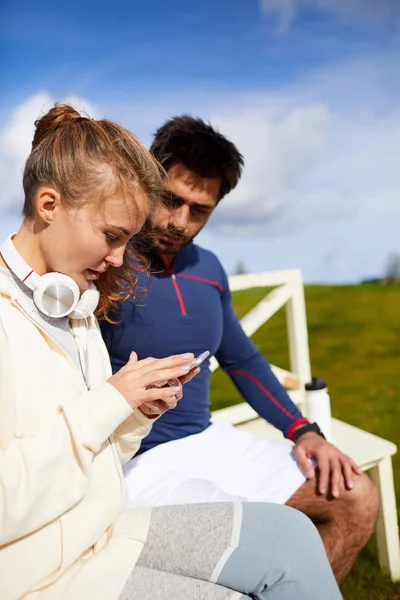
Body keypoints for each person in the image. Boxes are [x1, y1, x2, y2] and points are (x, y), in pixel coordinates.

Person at [0, 104, 342, 600]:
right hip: (45, 561)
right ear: (49, 205)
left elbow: (240, 358)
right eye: (114, 237)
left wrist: (135, 412)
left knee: (302, 529)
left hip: (98, 524)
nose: (120, 260)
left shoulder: (75, 297)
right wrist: (114, 401)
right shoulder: (92, 284)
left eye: (199, 210)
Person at [101, 115, 380, 585]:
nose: (180, 223)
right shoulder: (106, 261)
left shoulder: (209, 268)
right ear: (148, 179)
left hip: (208, 440)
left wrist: (304, 431)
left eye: (200, 210)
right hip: (134, 461)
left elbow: (242, 359)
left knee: (358, 497)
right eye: (171, 200)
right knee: (266, 540)